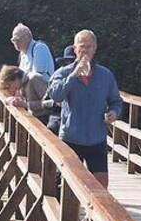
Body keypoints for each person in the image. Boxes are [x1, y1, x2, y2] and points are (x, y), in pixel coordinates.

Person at [48, 30, 122, 188]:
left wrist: (114, 113)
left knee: (101, 186)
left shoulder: (105, 75)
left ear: (95, 48)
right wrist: (74, 76)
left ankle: (93, 214)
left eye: (89, 47)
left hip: (97, 138)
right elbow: (56, 96)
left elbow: (116, 101)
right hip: (71, 137)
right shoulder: (62, 73)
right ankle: (69, 213)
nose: (85, 51)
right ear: (75, 49)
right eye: (81, 47)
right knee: (68, 187)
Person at [45, 45, 76, 134]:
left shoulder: (86, 78)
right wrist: (56, 103)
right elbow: (44, 102)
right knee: (52, 128)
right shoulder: (57, 76)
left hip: (78, 118)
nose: (71, 64)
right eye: (69, 61)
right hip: (58, 116)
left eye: (74, 61)